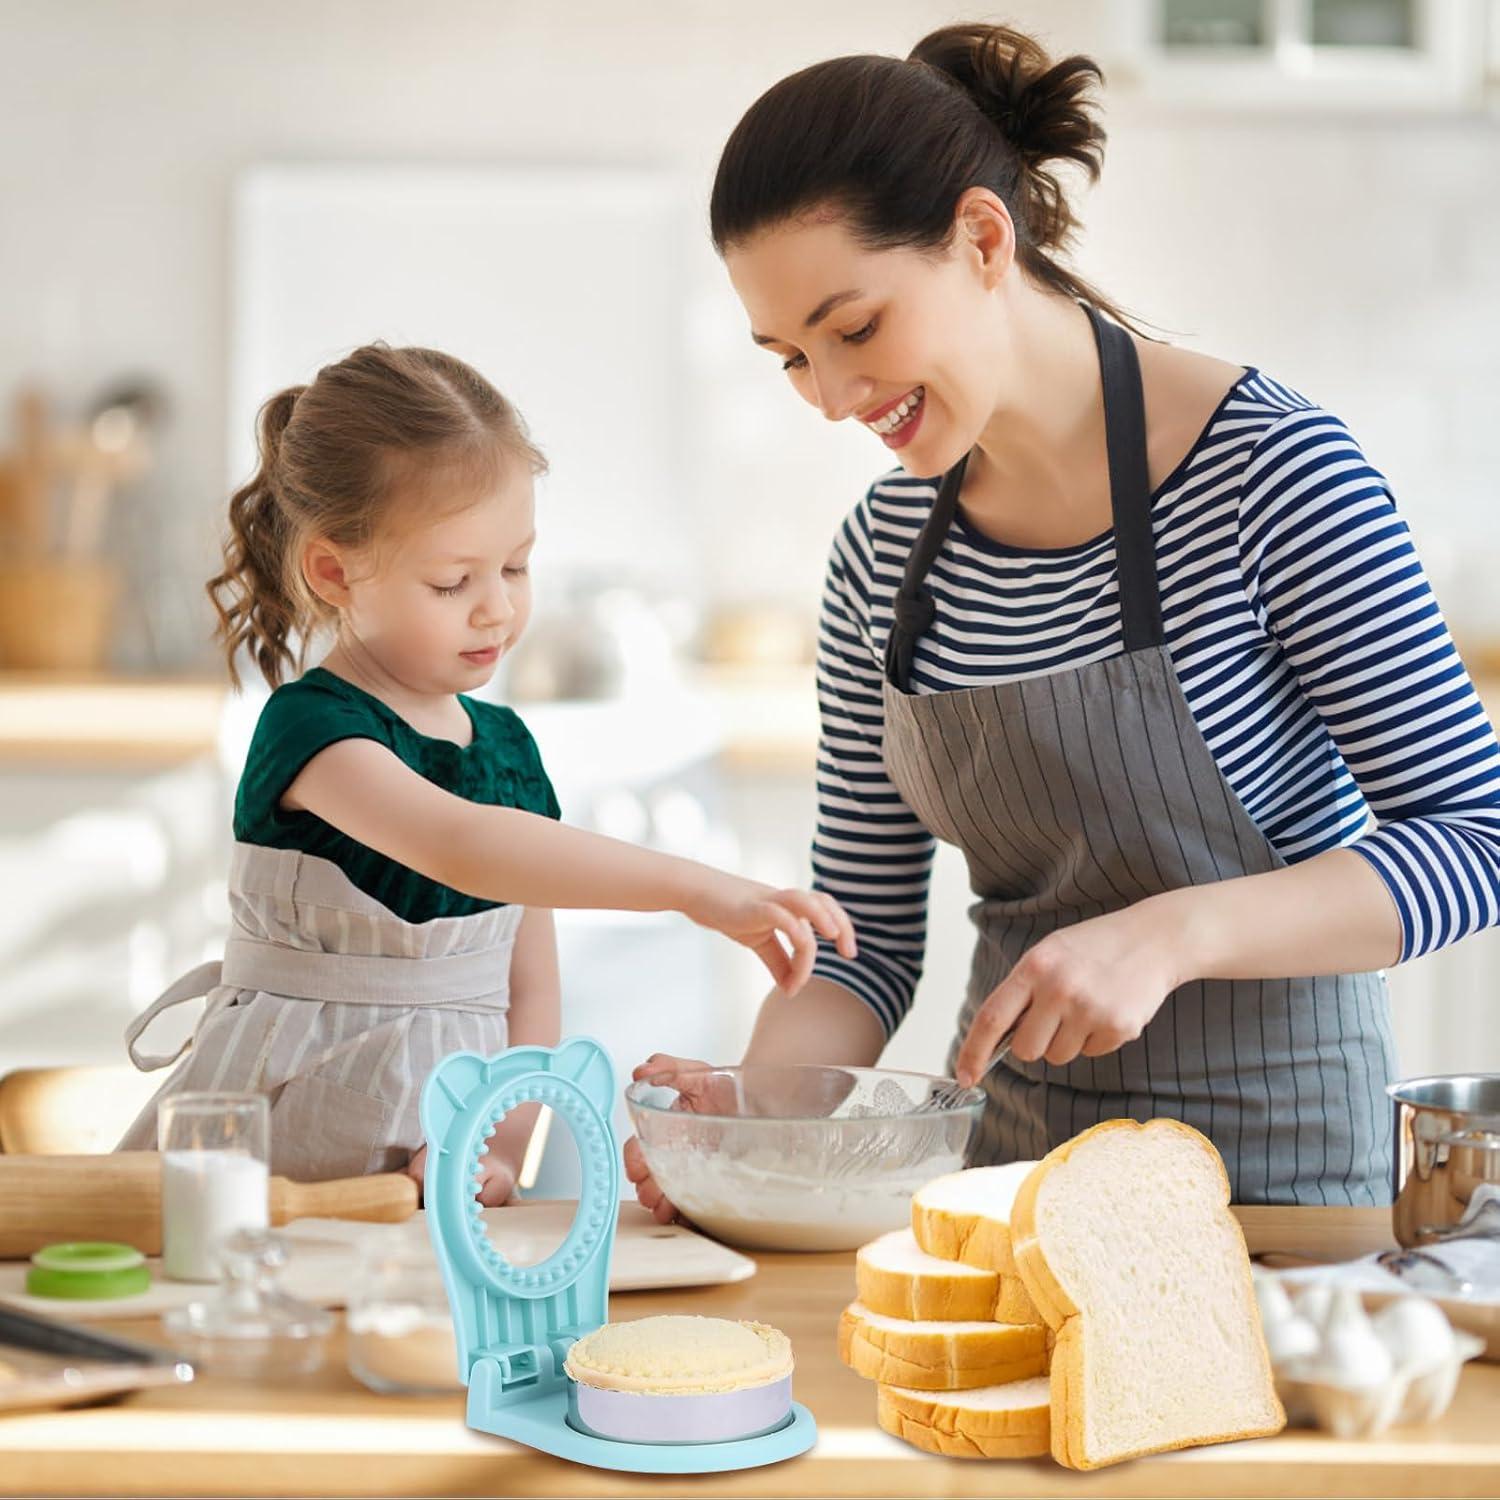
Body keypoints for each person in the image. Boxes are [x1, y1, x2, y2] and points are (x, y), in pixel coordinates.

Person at [627, 21, 1500, 1213]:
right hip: (1014, 1188)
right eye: (790, 358)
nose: (830, 399)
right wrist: (749, 1110)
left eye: (855, 329)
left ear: (983, 238)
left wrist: (1172, 936)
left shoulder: (1274, 474)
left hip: (1283, 1193)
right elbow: (868, 945)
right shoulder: (884, 556)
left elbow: (1470, 839)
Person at [118, 342, 854, 1202]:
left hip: (442, 1165)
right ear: (333, 570)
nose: (497, 607)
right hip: (273, 1151)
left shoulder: (506, 748)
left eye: (515, 566)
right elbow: (462, 847)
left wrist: (497, 1149)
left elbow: (530, 992)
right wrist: (700, 891)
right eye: (452, 580)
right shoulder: (314, 729)